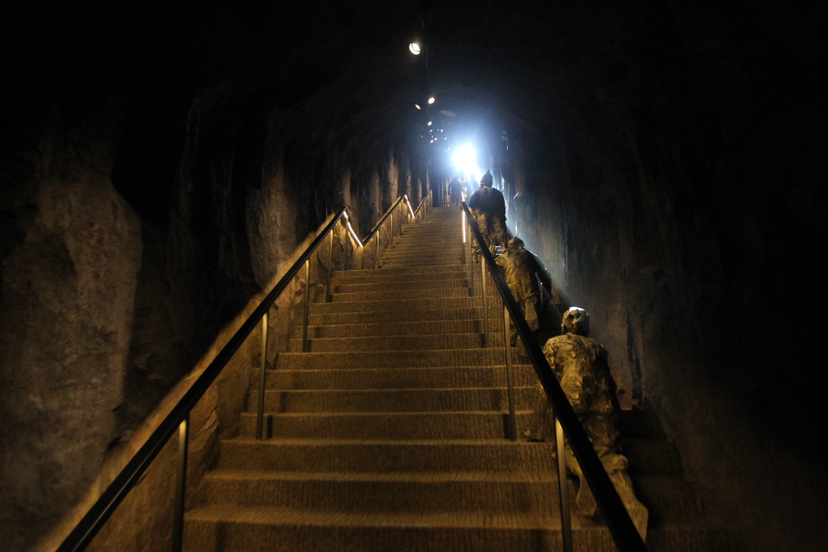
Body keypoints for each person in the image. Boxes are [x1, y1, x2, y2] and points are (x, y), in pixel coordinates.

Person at [526, 307, 649, 541]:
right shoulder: (598, 347)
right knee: (610, 456)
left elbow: (544, 385)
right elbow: (610, 383)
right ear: (588, 327)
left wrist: (535, 425)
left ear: (564, 324)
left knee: (566, 445)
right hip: (603, 399)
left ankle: (587, 476)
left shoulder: (555, 343)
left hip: (574, 395)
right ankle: (632, 506)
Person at [495, 237, 551, 347]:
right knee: (528, 319)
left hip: (519, 291)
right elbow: (544, 275)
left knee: (521, 318)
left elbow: (494, 267)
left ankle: (519, 343)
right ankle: (524, 344)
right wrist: (547, 295)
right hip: (527, 291)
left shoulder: (510, 256)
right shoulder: (528, 255)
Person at [467, 171, 507, 261]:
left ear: (482, 182)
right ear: (491, 182)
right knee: (498, 239)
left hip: (481, 220)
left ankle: (481, 259)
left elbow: (472, 211)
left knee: (482, 238)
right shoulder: (498, 193)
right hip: (496, 219)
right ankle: (499, 258)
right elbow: (502, 211)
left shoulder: (476, 194)